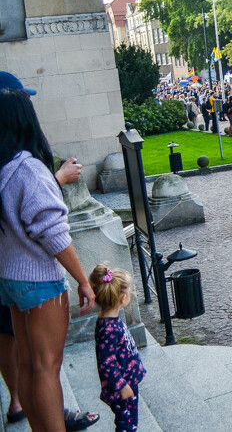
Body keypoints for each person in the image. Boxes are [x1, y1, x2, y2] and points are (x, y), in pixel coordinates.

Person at [0, 86, 96, 432]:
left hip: (10, 279)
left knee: (29, 364)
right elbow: (52, 233)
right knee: (46, 366)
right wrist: (83, 280)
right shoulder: (27, 168)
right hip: (38, 279)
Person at [91, 263, 145, 432]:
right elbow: (107, 363)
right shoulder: (109, 328)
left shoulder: (109, 321)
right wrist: (122, 386)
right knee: (126, 425)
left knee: (128, 422)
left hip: (127, 381)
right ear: (123, 299)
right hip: (122, 387)